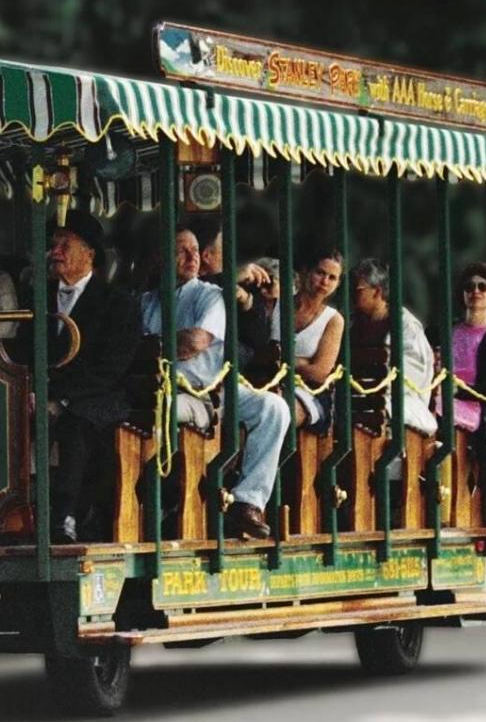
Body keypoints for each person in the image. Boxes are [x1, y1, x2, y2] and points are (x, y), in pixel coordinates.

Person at [142, 226, 290, 540]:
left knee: (274, 408)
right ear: (160, 257)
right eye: (181, 250)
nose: (192, 257)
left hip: (211, 389)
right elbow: (138, 348)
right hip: (167, 389)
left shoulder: (208, 293)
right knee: (151, 407)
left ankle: (248, 501)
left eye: (195, 250)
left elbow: (196, 342)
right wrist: (163, 346)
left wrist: (153, 345)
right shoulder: (145, 301)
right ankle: (163, 506)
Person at [19, 209, 138, 543]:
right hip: (44, 392)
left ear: (89, 253)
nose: (54, 252)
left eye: (64, 245)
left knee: (76, 421)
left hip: (100, 395)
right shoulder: (37, 297)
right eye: (53, 245)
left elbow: (110, 368)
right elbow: (23, 350)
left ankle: (66, 514)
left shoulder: (117, 302)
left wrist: (59, 397)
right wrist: (29, 391)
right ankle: (11, 512)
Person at [442, 262, 486, 498]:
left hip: (474, 409)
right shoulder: (448, 331)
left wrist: (456, 391)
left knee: (437, 410)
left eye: (483, 286)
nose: (476, 291)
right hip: (441, 396)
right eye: (469, 287)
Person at [350, 258, 438, 435]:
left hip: (399, 399)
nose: (350, 293)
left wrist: (374, 385)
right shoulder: (352, 323)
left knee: (374, 410)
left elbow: (414, 373)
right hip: (356, 397)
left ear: (377, 291)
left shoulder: (406, 325)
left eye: (357, 289)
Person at [271, 247, 345, 432]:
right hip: (266, 384)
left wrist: (282, 361)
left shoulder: (333, 319)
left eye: (332, 278)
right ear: (305, 271)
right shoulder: (275, 305)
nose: (325, 282)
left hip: (309, 394)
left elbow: (320, 372)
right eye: (320, 273)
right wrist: (303, 362)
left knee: (277, 411)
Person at [196, 222, 274, 365]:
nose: (231, 255)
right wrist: (228, 277)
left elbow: (259, 341)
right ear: (207, 256)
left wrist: (247, 303)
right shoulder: (184, 285)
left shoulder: (236, 283)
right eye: (225, 249)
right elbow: (192, 288)